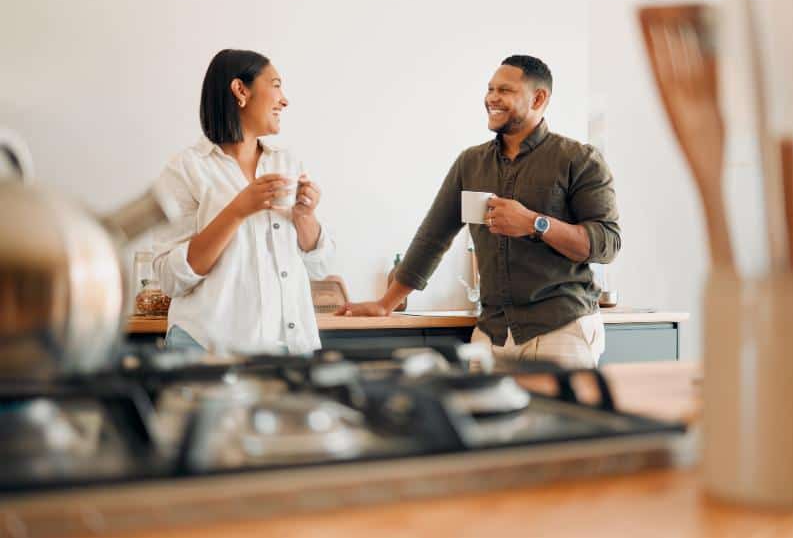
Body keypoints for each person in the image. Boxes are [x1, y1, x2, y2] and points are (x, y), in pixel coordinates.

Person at [337, 55, 620, 368]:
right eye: (490, 89)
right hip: (492, 333)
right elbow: (433, 237)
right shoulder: (470, 163)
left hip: (561, 330)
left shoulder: (579, 159)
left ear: (538, 98)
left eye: (505, 90)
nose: (492, 98)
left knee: (560, 419)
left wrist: (534, 223)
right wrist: (385, 303)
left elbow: (606, 244)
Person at [153, 49, 334, 354]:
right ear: (240, 90)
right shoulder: (186, 169)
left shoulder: (287, 162)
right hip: (208, 350)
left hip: (291, 351)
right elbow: (171, 279)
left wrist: (305, 216)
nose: (285, 100)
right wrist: (237, 210)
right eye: (276, 85)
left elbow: (320, 268)